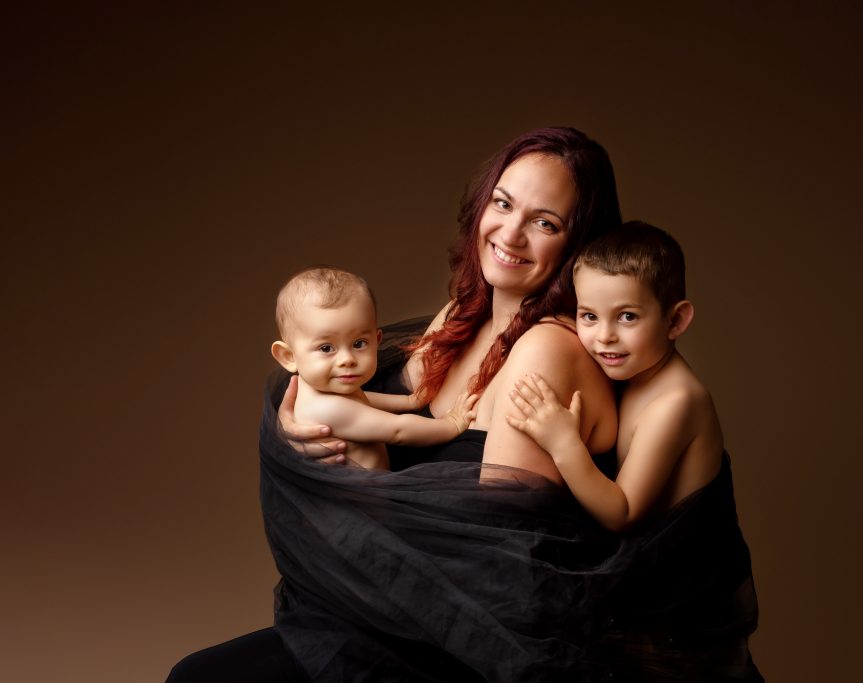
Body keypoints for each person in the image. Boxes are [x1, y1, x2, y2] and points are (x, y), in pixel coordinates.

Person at [168, 127, 624, 682]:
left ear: (578, 247)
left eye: (545, 223)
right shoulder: (465, 314)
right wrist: (305, 424)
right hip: (396, 610)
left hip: (460, 641)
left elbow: (501, 549)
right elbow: (366, 395)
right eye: (503, 204)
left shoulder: (546, 348)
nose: (510, 233)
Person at [508, 222, 761, 681]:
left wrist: (564, 443)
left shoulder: (676, 402)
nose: (604, 336)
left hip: (680, 612)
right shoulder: (631, 373)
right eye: (588, 316)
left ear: (675, 321)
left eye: (627, 317)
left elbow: (621, 512)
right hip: (640, 593)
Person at [270, 265, 478, 470]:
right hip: (367, 493)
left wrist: (408, 402)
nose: (347, 359)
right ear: (288, 356)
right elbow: (398, 431)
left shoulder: (325, 392)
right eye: (326, 348)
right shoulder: (327, 409)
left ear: (376, 340)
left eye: (359, 344)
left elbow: (361, 399)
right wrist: (452, 424)